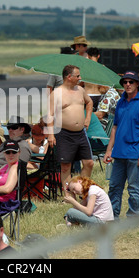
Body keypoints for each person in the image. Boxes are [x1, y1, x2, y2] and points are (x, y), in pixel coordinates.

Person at [103, 71, 139, 219]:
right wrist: (109, 151)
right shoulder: (120, 102)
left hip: (135, 153)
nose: (127, 84)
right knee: (114, 187)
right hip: (119, 153)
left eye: (131, 82)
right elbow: (115, 127)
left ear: (137, 84)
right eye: (125, 82)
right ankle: (113, 217)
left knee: (134, 188)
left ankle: (133, 218)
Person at [47, 65, 94, 194]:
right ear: (69, 77)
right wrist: (51, 135)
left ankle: (81, 189)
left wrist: (88, 118)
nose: (80, 78)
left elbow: (89, 102)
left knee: (89, 163)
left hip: (80, 133)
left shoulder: (80, 90)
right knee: (66, 166)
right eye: (78, 76)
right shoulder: (56, 93)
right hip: (64, 133)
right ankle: (68, 195)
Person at [0, 116, 32, 180]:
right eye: (9, 128)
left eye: (14, 127)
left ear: (22, 129)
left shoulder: (23, 146)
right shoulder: (6, 143)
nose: (10, 130)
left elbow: (19, 172)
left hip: (0, 175)